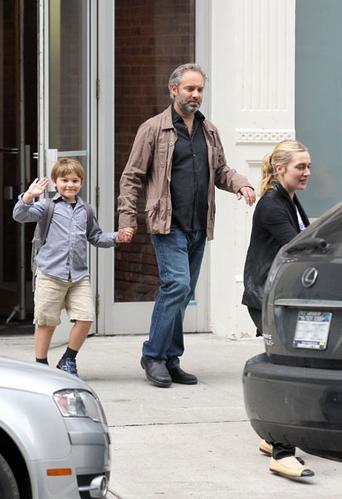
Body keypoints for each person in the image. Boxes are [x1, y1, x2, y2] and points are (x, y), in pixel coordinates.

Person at [118, 62, 256, 388]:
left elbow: (220, 170)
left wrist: (240, 183)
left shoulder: (209, 131)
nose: (195, 95)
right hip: (167, 224)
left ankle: (171, 359)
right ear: (174, 90)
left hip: (198, 224)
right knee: (177, 285)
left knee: (184, 292)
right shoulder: (153, 129)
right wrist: (127, 218)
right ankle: (153, 355)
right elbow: (131, 177)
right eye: (189, 89)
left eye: (199, 90)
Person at [13, 158, 133, 376]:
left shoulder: (86, 209)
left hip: (78, 276)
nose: (70, 184)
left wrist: (117, 236)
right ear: (55, 182)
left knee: (86, 317)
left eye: (75, 180)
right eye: (64, 180)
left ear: (81, 182)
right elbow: (20, 215)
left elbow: (95, 236)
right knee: (46, 322)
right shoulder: (47, 206)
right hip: (50, 274)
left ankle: (68, 359)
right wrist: (29, 196)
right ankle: (41, 365)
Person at [242, 139, 314, 478]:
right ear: (280, 168)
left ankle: (273, 437)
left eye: (308, 166)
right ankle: (282, 451)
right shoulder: (272, 205)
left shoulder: (288, 198)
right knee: (288, 369)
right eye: (301, 167)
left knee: (294, 365)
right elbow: (297, 248)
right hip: (268, 297)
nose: (307, 173)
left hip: (279, 295)